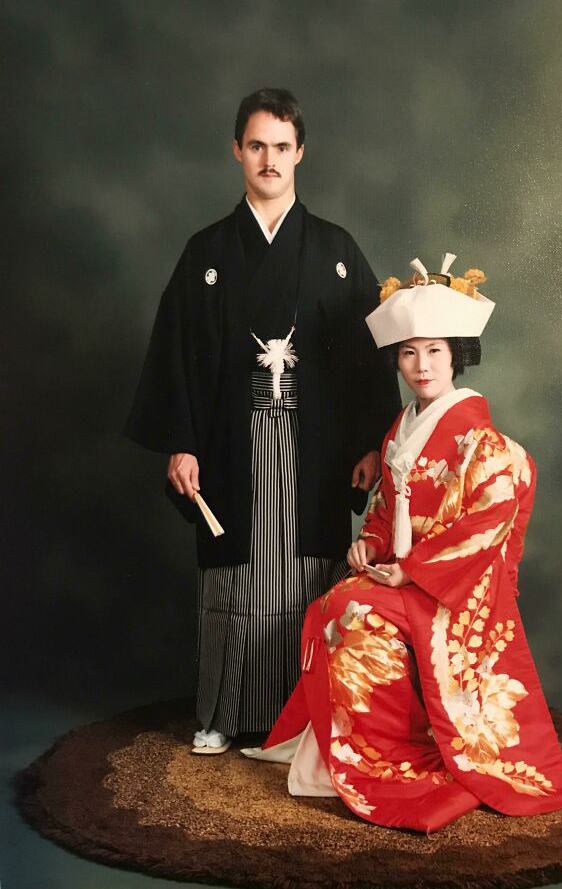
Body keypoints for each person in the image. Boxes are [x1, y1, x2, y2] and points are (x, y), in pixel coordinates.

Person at [243, 256, 562, 830]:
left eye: (435, 351)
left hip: (452, 590)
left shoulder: (480, 439)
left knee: (353, 609)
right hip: (409, 575)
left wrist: (411, 572)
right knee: (336, 603)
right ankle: (354, 753)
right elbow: (388, 507)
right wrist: (370, 544)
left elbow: (490, 518)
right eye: (409, 353)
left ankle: (385, 757)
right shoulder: (403, 425)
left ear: (456, 355)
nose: (422, 365)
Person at [125, 88, 400, 754]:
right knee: (233, 575)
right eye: (256, 146)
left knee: (311, 573)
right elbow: (177, 354)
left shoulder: (335, 249)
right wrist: (182, 443)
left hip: (317, 449)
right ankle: (222, 715)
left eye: (281, 146)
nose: (269, 159)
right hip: (230, 444)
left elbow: (368, 360)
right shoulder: (207, 253)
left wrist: (369, 442)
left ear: (300, 152)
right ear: (237, 152)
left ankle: (305, 718)